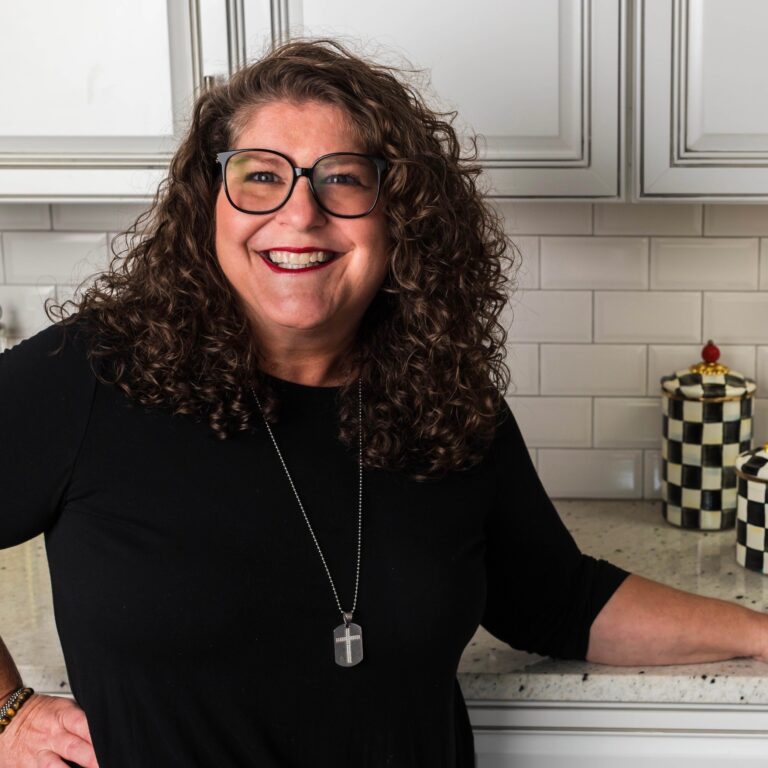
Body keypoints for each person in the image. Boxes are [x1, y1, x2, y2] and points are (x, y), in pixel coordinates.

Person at [1, 38, 766, 768]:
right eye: (261, 175)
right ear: (210, 204)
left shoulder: (444, 402)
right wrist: (8, 713)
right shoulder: (94, 374)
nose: (300, 215)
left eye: (343, 177)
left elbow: (560, 600)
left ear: (400, 217)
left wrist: (761, 632)